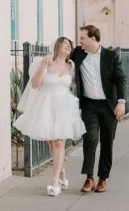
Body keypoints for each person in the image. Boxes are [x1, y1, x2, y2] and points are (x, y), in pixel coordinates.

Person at [14, 37, 86, 196]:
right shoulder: (45, 61)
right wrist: (43, 66)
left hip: (64, 106)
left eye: (70, 45)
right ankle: (61, 171)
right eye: (65, 44)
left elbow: (74, 85)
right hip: (45, 105)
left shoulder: (71, 66)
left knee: (59, 141)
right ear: (57, 46)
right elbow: (35, 84)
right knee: (52, 142)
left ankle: (55, 181)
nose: (68, 47)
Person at [69, 24, 127, 193]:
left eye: (82, 38)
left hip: (109, 106)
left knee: (107, 141)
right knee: (90, 139)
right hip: (89, 105)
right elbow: (63, 58)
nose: (80, 41)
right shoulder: (78, 54)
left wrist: (121, 102)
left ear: (93, 39)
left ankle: (103, 178)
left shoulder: (111, 56)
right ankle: (89, 178)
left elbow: (121, 80)